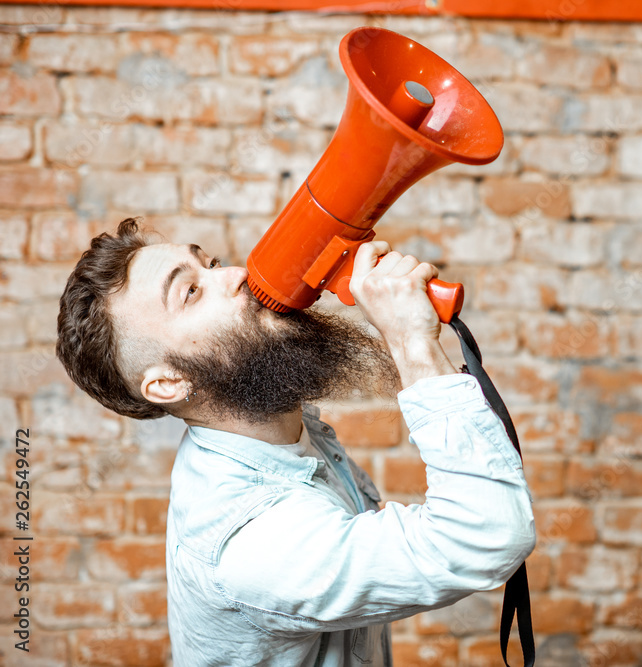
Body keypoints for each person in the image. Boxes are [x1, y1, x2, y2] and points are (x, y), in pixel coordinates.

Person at [55, 218, 536, 666]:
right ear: (168, 383)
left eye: (212, 264)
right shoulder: (254, 544)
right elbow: (487, 534)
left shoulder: (268, 421)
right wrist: (411, 340)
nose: (238, 275)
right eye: (192, 292)